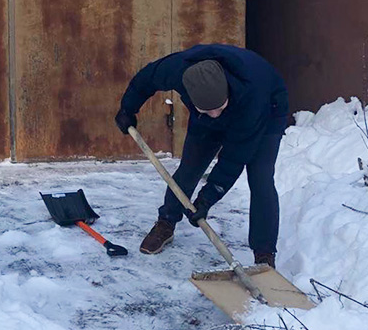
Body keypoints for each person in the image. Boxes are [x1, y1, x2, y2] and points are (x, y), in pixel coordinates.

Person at [114, 44, 288, 268]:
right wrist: (127, 109)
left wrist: (207, 198)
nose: (216, 115)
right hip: (207, 114)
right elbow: (145, 80)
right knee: (190, 167)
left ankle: (264, 253)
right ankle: (166, 222)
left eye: (219, 108)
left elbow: (233, 159)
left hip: (267, 110)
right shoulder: (177, 70)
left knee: (261, 177)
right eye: (208, 110)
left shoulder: (253, 97)